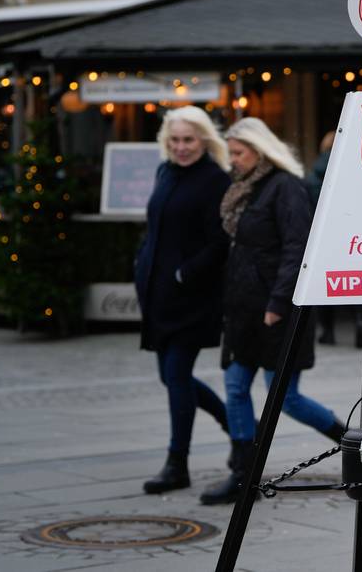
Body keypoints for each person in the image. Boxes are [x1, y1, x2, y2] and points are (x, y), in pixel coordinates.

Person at [200, 117, 346, 505]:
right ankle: (243, 475)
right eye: (230, 153)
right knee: (234, 387)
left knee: (286, 398)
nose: (232, 160)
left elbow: (298, 248)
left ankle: (352, 442)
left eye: (239, 153)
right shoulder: (243, 188)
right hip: (244, 309)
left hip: (278, 309)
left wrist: (278, 303)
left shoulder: (286, 187)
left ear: (260, 150)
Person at [135, 106, 233, 495]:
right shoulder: (165, 171)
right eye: (174, 140)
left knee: (176, 375)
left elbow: (219, 241)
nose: (181, 147)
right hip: (159, 297)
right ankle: (237, 427)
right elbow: (156, 228)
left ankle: (177, 463)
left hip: (193, 297)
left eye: (188, 140)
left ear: (204, 139)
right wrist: (141, 264)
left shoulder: (215, 180)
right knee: (169, 377)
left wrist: (185, 273)